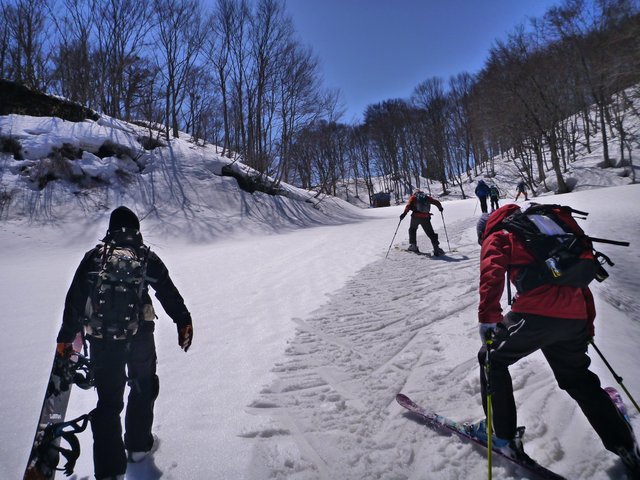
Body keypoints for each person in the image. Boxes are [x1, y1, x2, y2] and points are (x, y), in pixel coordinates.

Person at [474, 205, 640, 477]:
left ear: (484, 230)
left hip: (536, 314)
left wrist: (488, 317)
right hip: (574, 316)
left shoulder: (499, 232)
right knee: (577, 377)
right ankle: (623, 442)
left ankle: (502, 436)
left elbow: (492, 269)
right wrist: (586, 326)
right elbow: (578, 284)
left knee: (491, 358)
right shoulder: (544, 232)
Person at [56, 206, 194, 480]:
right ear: (136, 231)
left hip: (103, 340)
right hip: (140, 336)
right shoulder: (146, 257)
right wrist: (183, 320)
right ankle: (138, 448)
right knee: (142, 385)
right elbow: (167, 291)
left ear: (111, 229)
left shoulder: (96, 257)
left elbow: (74, 301)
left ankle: (109, 472)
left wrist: (65, 338)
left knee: (108, 401)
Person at [400, 189, 445, 256]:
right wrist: (440, 208)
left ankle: (413, 246)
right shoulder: (426, 197)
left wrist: (404, 214)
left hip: (415, 217)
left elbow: (408, 206)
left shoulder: (413, 197)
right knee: (431, 233)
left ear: (414, 192)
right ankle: (436, 248)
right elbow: (436, 202)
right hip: (425, 218)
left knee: (412, 229)